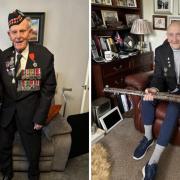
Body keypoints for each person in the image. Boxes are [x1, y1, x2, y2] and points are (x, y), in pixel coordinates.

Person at [0, 10, 56, 180]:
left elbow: (49, 89)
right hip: (7, 113)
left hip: (30, 114)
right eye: (14, 32)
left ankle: (33, 177)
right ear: (9, 35)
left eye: (22, 31)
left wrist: (40, 118)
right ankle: (7, 175)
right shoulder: (3, 57)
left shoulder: (44, 56)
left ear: (30, 32)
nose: (18, 36)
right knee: (2, 148)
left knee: (33, 153)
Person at [133, 21, 180, 180]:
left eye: (178, 34)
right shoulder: (160, 51)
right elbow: (158, 77)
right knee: (147, 98)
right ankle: (148, 137)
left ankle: (152, 163)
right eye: (171, 34)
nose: (174, 39)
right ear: (166, 35)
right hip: (166, 88)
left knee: (173, 109)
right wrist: (154, 89)